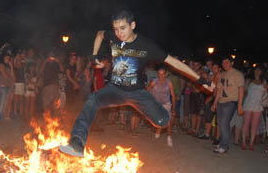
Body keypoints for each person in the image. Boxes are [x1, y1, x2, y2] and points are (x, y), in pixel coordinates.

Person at [59, 10, 208, 157]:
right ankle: (77, 143)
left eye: (123, 28)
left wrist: (200, 80)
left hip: (137, 93)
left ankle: (162, 115)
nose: (119, 33)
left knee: (162, 121)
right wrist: (93, 55)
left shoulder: (146, 45)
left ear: (133, 25)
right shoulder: (114, 37)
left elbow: (174, 62)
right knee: (93, 99)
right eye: (116, 29)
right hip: (115, 90)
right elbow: (99, 34)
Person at [211, 56, 245, 154]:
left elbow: (241, 89)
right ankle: (223, 143)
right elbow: (219, 90)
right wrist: (214, 103)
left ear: (232, 63)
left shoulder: (237, 74)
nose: (224, 64)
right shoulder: (222, 75)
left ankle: (224, 146)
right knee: (220, 123)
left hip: (230, 102)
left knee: (224, 123)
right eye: (223, 63)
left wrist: (239, 105)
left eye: (227, 62)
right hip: (221, 102)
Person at [147, 66, 176, 146]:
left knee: (168, 121)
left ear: (165, 74)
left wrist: (173, 108)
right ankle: (158, 131)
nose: (161, 76)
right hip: (156, 104)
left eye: (163, 74)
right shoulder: (154, 82)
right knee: (159, 120)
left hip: (166, 103)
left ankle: (169, 138)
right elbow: (147, 91)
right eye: (159, 74)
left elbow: (173, 95)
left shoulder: (169, 82)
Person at [241, 67, 267, 151]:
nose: (257, 71)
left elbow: (265, 94)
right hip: (248, 105)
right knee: (246, 124)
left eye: (259, 70)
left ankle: (251, 143)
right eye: (256, 69)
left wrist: (262, 101)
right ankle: (244, 142)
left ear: (261, 72)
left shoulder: (264, 82)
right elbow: (244, 93)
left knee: (254, 126)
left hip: (258, 106)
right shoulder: (249, 81)